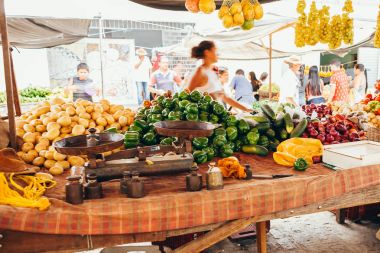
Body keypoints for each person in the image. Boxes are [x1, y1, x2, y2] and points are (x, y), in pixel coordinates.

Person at [188, 41, 252, 112]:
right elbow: (186, 95)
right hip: (205, 117)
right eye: (215, 51)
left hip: (217, 115)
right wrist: (208, 96)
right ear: (207, 52)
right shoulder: (200, 72)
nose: (218, 54)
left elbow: (224, 96)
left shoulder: (214, 70)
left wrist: (245, 109)